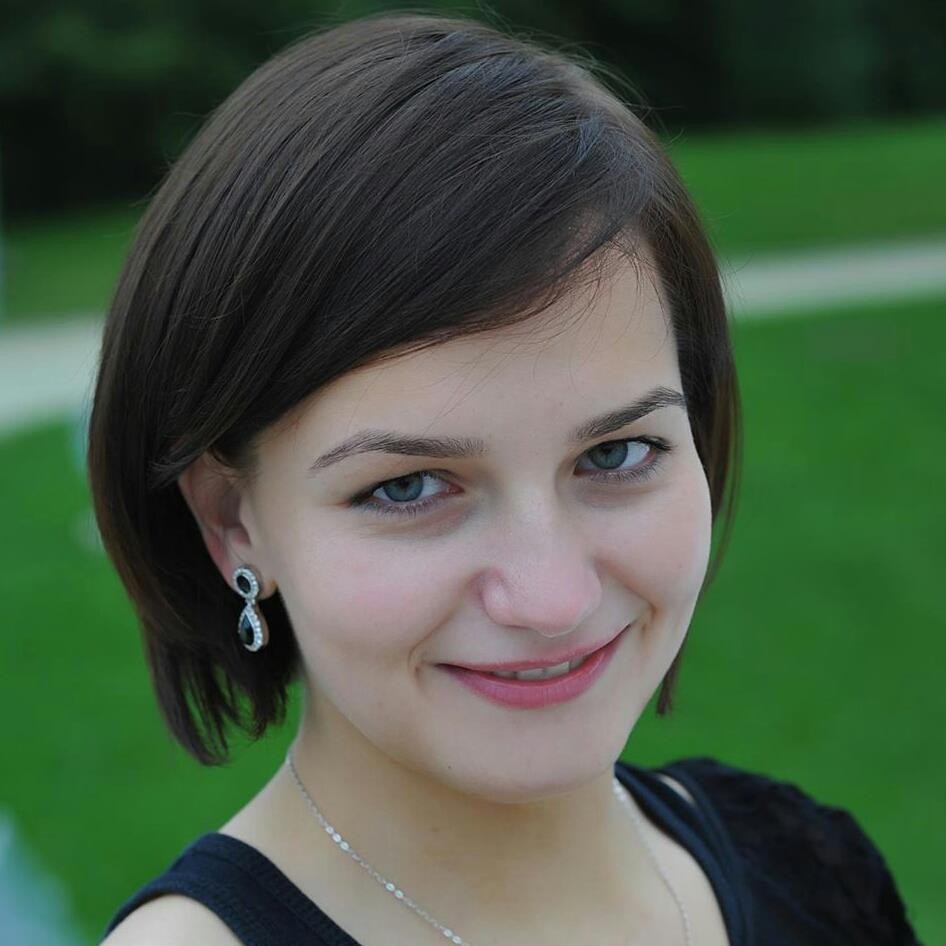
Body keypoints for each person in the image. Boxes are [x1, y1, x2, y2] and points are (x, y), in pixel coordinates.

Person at [90, 10, 921, 946]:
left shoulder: (810, 871)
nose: (552, 599)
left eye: (615, 454)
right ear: (234, 523)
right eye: (408, 487)